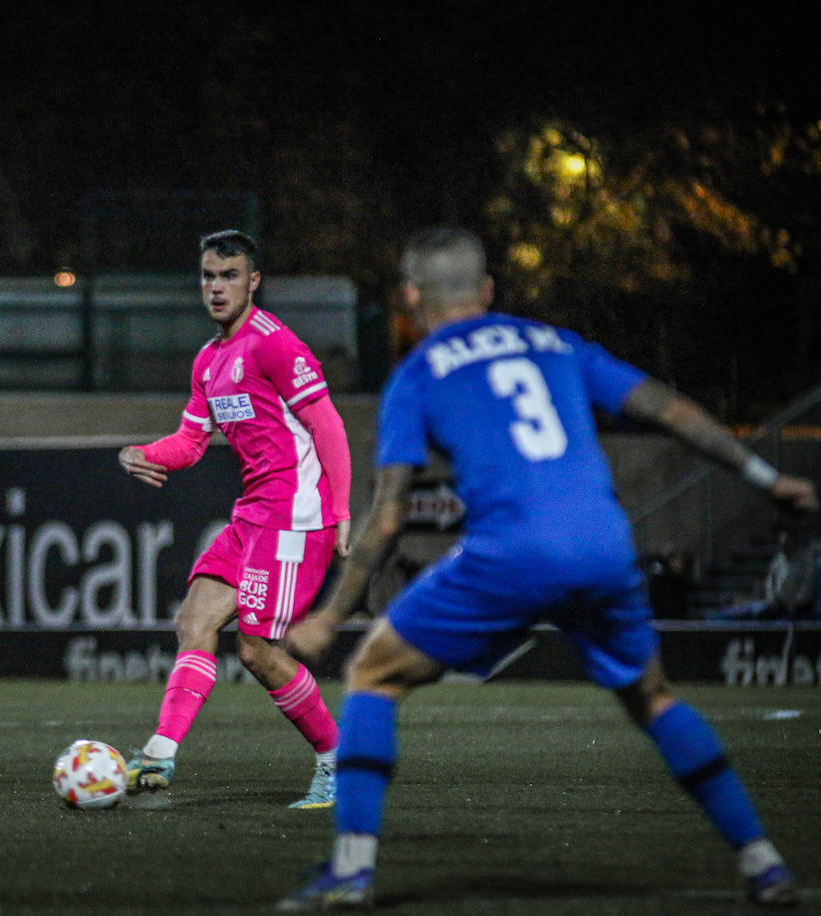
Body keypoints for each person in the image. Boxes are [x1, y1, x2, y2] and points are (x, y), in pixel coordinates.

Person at [279, 226, 813, 909]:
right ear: (488, 290)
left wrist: (333, 613)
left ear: (410, 299)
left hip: (512, 554)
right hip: (603, 545)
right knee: (654, 698)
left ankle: (351, 870)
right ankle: (763, 862)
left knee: (373, 674)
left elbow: (387, 514)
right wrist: (770, 479)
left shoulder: (416, 374)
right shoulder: (557, 343)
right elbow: (671, 410)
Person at [118, 230, 352, 808]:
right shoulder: (209, 359)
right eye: (207, 276)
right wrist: (142, 454)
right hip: (252, 518)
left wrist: (342, 509)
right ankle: (160, 756)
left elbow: (329, 427)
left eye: (228, 276)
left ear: (253, 281)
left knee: (257, 652)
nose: (216, 287)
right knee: (194, 621)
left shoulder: (276, 345)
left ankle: (337, 761)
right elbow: (191, 443)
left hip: (296, 518)